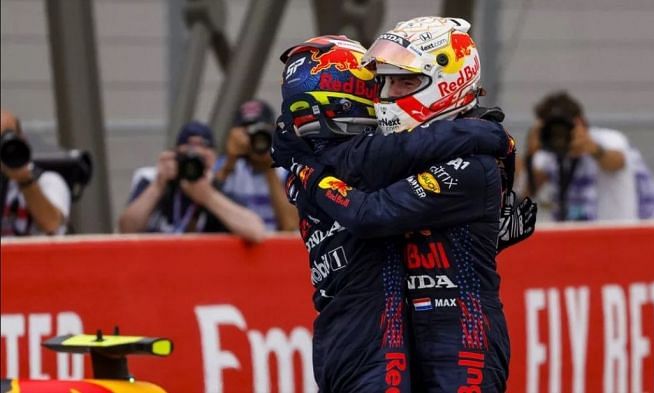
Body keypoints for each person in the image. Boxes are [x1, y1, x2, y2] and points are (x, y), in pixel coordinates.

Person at [275, 18, 530, 391]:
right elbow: (367, 156)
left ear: (449, 82)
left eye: (404, 81)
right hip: (400, 335)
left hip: (463, 338)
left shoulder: (475, 164)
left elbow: (372, 213)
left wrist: (308, 174)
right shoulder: (393, 154)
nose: (387, 94)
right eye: (385, 81)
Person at [117, 121, 265, 242]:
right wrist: (158, 186)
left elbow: (256, 231)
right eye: (189, 148)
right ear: (174, 154)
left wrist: (208, 197)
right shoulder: (154, 181)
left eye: (203, 147)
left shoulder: (217, 188)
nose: (195, 154)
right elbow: (126, 229)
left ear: (213, 158)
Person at [526, 91, 654, 221]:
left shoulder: (608, 140)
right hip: (574, 237)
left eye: (562, 130)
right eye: (552, 131)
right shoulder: (548, 154)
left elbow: (617, 162)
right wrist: (530, 153)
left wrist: (593, 149)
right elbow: (527, 191)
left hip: (616, 234)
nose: (559, 138)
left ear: (579, 122)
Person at [214, 99, 298, 231]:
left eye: (260, 131)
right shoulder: (226, 167)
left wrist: (269, 168)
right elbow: (204, 210)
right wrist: (230, 161)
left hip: (276, 248)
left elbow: (291, 225)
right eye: (248, 132)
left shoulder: (289, 169)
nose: (255, 138)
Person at [0, 108, 71, 236]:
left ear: (22, 140)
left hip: (37, 255)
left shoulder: (48, 181)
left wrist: (25, 180)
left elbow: (51, 225)